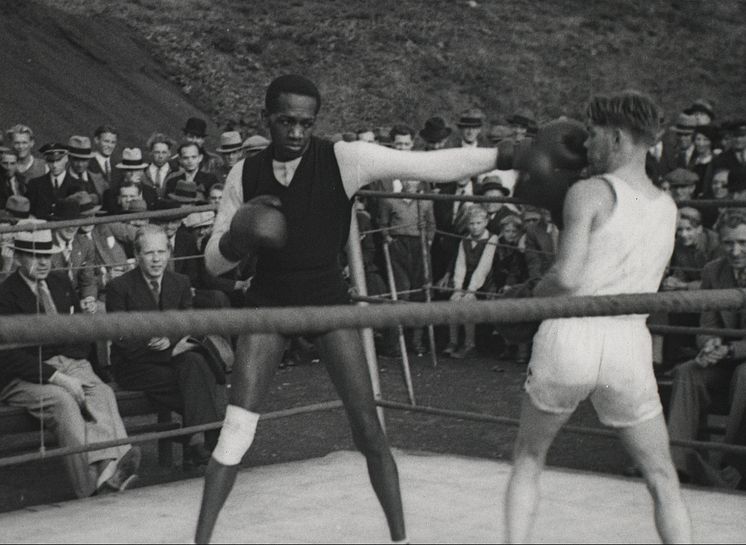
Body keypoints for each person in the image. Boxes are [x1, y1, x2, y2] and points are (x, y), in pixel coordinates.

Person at [195, 74, 515, 544]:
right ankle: (199, 541)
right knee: (236, 432)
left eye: (307, 123)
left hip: (329, 304)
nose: (298, 133)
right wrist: (239, 235)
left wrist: (507, 156)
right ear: (267, 118)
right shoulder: (244, 173)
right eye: (286, 122)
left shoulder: (344, 158)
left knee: (368, 429)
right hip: (268, 307)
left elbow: (430, 164)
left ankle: (400, 539)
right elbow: (211, 263)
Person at [504, 91, 691, 543]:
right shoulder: (668, 207)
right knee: (662, 477)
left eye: (593, 136)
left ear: (617, 137)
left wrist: (527, 294)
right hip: (630, 342)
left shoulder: (589, 191)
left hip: (571, 335)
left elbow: (567, 279)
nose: (586, 146)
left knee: (529, 458)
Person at [0, 222, 140, 498]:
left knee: (101, 392)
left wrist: (72, 366)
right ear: (18, 257)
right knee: (64, 403)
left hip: (68, 362)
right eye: (34, 256)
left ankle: (110, 472)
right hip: (22, 375)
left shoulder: (60, 281)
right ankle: (87, 489)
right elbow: (10, 357)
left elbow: (79, 332)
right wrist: (59, 377)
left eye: (46, 255)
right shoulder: (5, 294)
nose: (43, 262)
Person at [106, 225, 223, 469]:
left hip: (174, 358)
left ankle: (195, 441)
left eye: (161, 251)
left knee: (195, 363)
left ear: (169, 253)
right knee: (198, 376)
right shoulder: (120, 287)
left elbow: (187, 323)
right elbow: (121, 339)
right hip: (134, 365)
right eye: (149, 253)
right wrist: (170, 347)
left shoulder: (179, 282)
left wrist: (169, 341)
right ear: (137, 255)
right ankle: (205, 439)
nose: (156, 259)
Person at [666, 208, 746, 490]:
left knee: (745, 375)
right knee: (688, 371)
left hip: (740, 360)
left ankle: (731, 467)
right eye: (728, 243)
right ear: (719, 242)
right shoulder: (714, 270)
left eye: (743, 243)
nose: (735, 250)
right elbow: (707, 322)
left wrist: (730, 350)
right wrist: (707, 344)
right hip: (724, 357)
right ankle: (678, 465)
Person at [444, 205, 497, 359]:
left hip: (485, 283)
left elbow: (484, 267)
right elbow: (460, 266)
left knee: (468, 303)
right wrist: (458, 289)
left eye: (479, 223)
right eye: (471, 224)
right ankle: (453, 342)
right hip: (467, 282)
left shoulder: (492, 239)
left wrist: (471, 290)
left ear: (486, 222)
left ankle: (470, 344)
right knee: (453, 302)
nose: (475, 227)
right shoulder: (464, 241)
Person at [25, 143, 82, 219]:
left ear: (66, 159)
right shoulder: (35, 184)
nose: (55, 165)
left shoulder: (79, 184)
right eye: (51, 161)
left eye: (58, 160)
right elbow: (29, 211)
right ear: (46, 161)